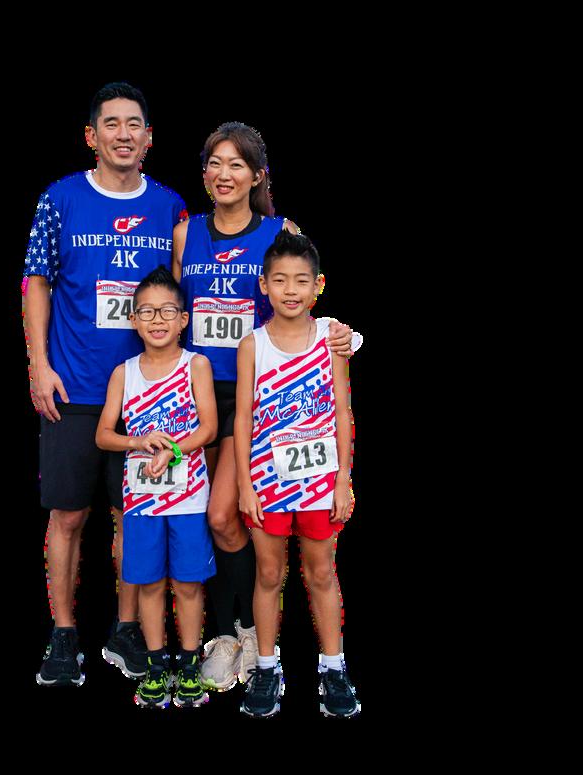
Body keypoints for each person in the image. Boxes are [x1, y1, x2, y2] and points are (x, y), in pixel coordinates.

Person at [172, 122, 360, 691]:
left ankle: (253, 635)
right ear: (204, 172)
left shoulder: (281, 231)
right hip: (194, 390)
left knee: (224, 515)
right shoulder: (186, 233)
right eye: (215, 163)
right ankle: (231, 634)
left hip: (256, 396)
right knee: (200, 521)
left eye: (237, 164)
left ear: (257, 175)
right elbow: (174, 310)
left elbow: (306, 295)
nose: (224, 174)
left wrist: (347, 336)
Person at [25, 82, 188, 687]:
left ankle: (124, 629)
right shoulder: (60, 199)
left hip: (150, 395)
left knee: (134, 518)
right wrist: (39, 364)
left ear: (149, 137)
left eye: (134, 124)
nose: (124, 134)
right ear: (91, 136)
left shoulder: (170, 206)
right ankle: (64, 633)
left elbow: (200, 279)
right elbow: (36, 280)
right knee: (68, 517)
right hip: (73, 388)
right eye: (111, 124)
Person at [234, 230, 361, 718]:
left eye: (301, 280)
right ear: (264, 285)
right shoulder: (253, 344)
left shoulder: (331, 338)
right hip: (267, 483)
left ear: (317, 286)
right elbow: (243, 418)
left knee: (322, 572)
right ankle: (267, 667)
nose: (291, 290)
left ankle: (333, 667)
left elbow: (342, 413)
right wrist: (246, 484)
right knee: (269, 573)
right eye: (281, 279)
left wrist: (343, 479)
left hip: (320, 483)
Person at [95, 266, 217, 708]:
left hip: (189, 499)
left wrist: (174, 450)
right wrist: (138, 441)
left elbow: (208, 428)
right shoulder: (124, 373)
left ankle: (189, 662)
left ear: (184, 319)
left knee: (187, 583)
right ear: (133, 320)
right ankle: (155, 663)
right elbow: (103, 435)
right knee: (148, 583)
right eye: (146, 311)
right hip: (141, 500)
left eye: (167, 311)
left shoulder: (195, 365)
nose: (157, 319)